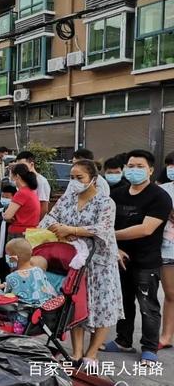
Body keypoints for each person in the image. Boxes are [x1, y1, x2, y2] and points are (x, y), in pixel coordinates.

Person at [39, 160, 123, 366]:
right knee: (76, 305)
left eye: (80, 178)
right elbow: (47, 220)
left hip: (100, 264)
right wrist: (58, 227)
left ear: (93, 179)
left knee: (103, 307)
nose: (74, 182)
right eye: (71, 178)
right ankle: (76, 352)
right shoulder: (67, 199)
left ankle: (92, 353)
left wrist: (72, 230)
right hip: (75, 262)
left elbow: (103, 229)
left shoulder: (105, 202)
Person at [104, 150, 172, 366]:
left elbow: (146, 229)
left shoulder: (160, 196)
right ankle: (123, 340)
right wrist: (113, 247)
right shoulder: (117, 195)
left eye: (139, 166)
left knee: (148, 305)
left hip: (146, 260)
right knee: (123, 303)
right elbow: (106, 222)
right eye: (130, 166)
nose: (134, 170)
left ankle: (149, 348)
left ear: (150, 170)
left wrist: (110, 236)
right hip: (119, 258)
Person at [0, 239, 57, 334]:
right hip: (41, 316)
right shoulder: (39, 270)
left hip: (21, 319)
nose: (6, 258)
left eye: (7, 256)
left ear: (14, 258)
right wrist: (4, 285)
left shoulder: (12, 277)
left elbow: (6, 298)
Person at [160, 152, 174, 350]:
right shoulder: (162, 190)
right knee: (171, 294)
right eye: (170, 164)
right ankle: (165, 335)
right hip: (166, 248)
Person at [3, 164, 40, 238]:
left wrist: (6, 215)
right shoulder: (31, 191)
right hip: (30, 232)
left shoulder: (21, 193)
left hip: (19, 233)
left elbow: (7, 216)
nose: (10, 178)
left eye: (11, 176)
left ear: (17, 176)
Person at [0, 184, 17, 283]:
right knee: (2, 269)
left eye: (7, 197)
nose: (4, 199)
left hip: (11, 250)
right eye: (3, 196)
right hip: (0, 248)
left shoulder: (15, 214)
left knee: (11, 269)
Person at [15, 151, 51, 218]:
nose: (20, 169)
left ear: (31, 164)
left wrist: (35, 223)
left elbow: (44, 207)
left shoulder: (41, 181)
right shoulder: (20, 180)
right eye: (18, 166)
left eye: (22, 166)